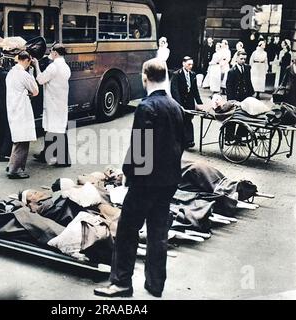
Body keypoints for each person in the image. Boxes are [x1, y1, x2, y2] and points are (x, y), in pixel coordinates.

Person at [94, 58, 184, 298]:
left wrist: (129, 174)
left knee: (127, 230)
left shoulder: (146, 107)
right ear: (164, 76)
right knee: (158, 233)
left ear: (145, 77)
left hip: (145, 183)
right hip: (168, 182)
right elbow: (181, 144)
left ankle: (121, 283)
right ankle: (155, 284)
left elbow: (140, 148)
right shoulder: (176, 106)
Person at [32, 43, 72, 167]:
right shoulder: (65, 66)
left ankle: (63, 160)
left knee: (56, 131)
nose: (50, 53)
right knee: (52, 129)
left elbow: (40, 79)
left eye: (51, 51)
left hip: (53, 103)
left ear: (55, 53)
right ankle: (46, 154)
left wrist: (36, 66)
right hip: (60, 102)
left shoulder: (53, 67)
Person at [6, 51, 39, 179]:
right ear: (27, 60)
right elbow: (35, 91)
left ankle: (11, 165)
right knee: (23, 141)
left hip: (13, 108)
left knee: (17, 140)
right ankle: (15, 170)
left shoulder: (10, 73)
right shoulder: (24, 74)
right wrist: (31, 74)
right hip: (22, 109)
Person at [171, 56, 203, 149]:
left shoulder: (193, 74)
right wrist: (179, 104)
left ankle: (189, 140)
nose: (190, 66)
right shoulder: (176, 74)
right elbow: (174, 90)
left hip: (189, 102)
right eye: (189, 64)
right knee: (181, 121)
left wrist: (200, 103)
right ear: (183, 64)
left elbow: (195, 90)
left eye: (192, 64)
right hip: (180, 101)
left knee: (188, 120)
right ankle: (180, 140)